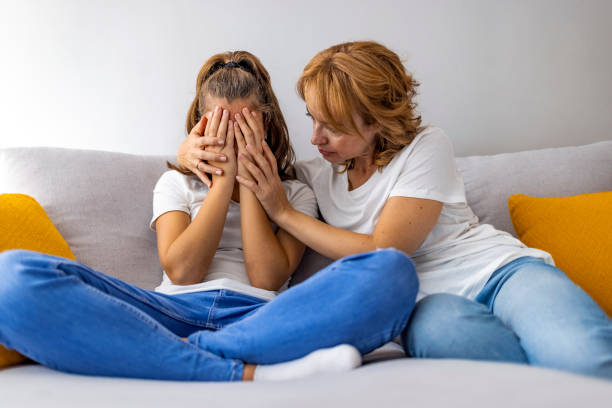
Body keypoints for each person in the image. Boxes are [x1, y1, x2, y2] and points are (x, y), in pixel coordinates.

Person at [178, 41, 612, 380]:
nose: (315, 137)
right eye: (312, 118)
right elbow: (255, 160)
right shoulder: (315, 173)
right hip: (428, 305)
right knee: (482, 367)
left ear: (375, 122)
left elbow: (386, 251)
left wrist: (285, 213)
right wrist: (188, 150)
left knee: (582, 359)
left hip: (501, 274)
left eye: (332, 125)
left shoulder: (427, 147)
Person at [0, 51, 419, 382]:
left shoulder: (294, 193)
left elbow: (267, 278)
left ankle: (165, 357)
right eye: (220, 126)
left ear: (265, 125)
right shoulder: (176, 185)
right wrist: (222, 181)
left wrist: (255, 184)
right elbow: (183, 270)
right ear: (200, 127)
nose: (232, 139)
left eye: (243, 127)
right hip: (167, 313)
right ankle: (241, 370)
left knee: (391, 272)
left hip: (261, 319)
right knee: (10, 276)